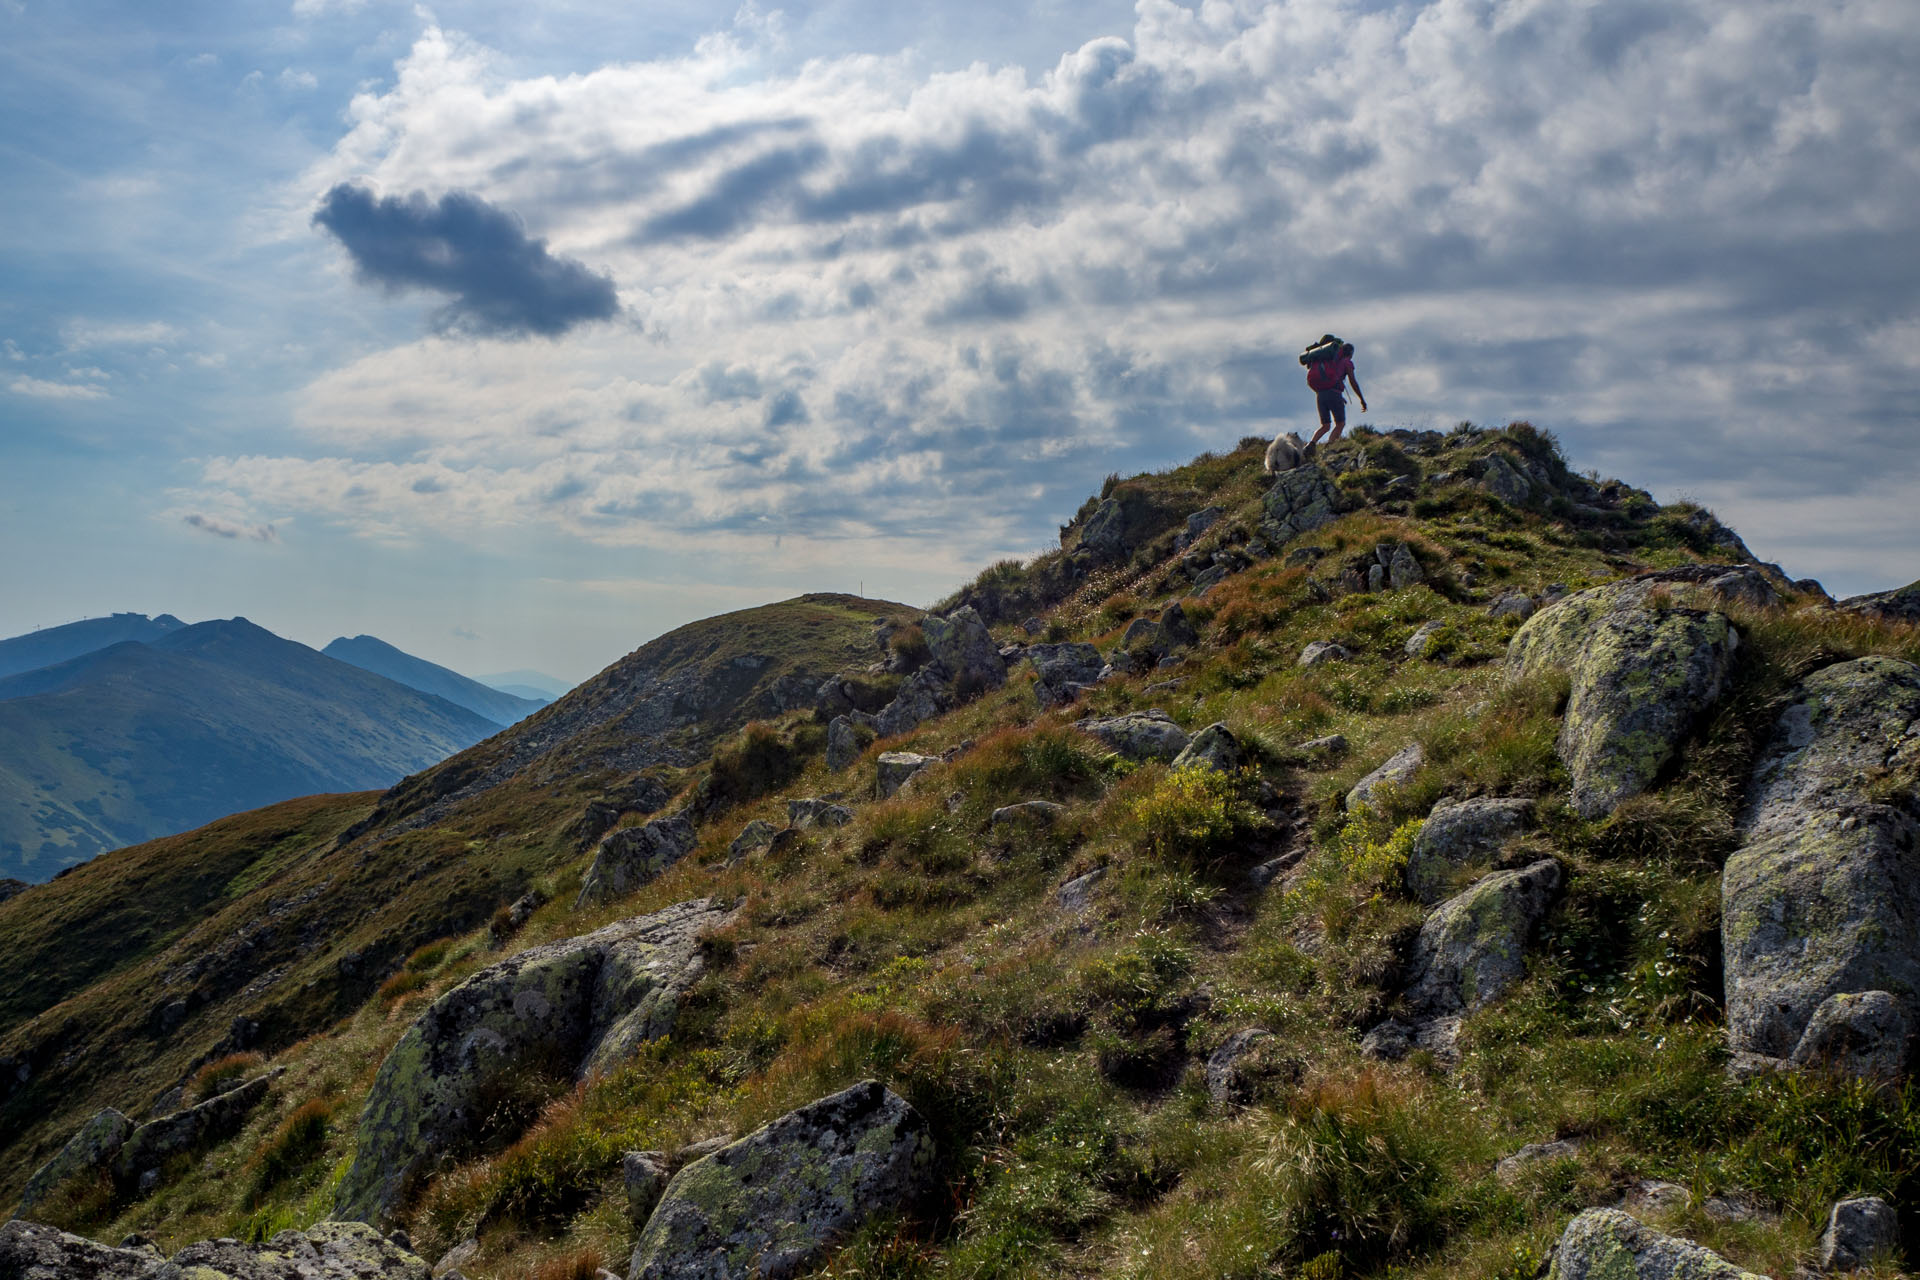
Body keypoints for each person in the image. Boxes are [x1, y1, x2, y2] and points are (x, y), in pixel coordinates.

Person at [1305, 342, 1365, 451]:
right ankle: (1329, 448)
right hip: (1334, 393)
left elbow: (1329, 379)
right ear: (1351, 353)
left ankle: (1311, 444)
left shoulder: (1329, 361)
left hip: (1320, 394)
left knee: (1325, 425)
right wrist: (1361, 399)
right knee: (1340, 423)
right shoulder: (1347, 362)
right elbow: (1353, 381)